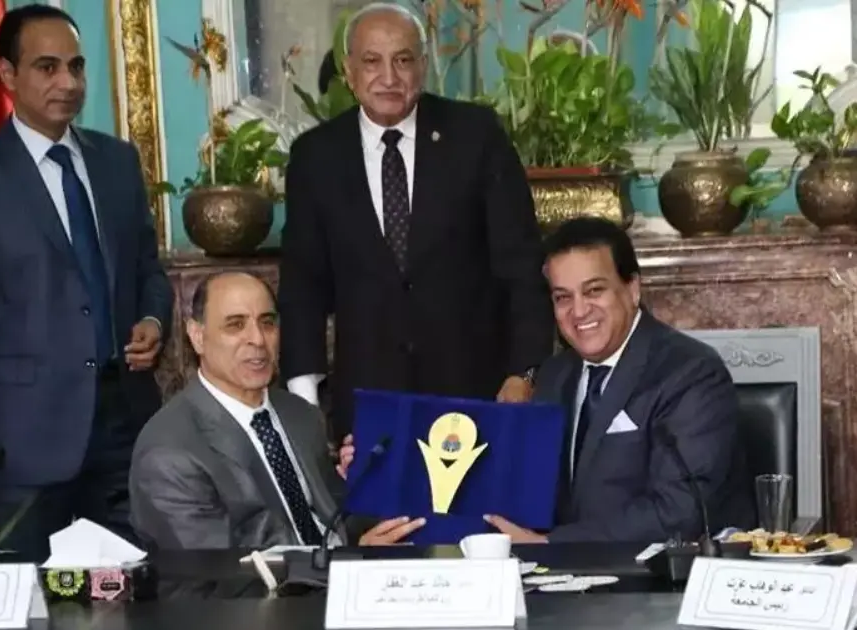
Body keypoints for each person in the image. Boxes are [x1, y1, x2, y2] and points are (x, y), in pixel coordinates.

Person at [0, 4, 172, 561]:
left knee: (131, 588)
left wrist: (154, 319)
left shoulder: (116, 163)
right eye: (48, 67)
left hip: (123, 430)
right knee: (23, 595)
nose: (68, 82)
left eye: (76, 67)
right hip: (19, 447)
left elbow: (147, 269)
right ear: (7, 75)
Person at [279, 2, 554, 439]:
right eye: (372, 61)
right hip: (370, 408)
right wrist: (305, 402)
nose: (389, 77)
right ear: (349, 71)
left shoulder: (476, 136)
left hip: (476, 396)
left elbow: (522, 266)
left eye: (403, 60)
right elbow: (302, 287)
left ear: (422, 66)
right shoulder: (316, 157)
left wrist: (525, 372)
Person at [484, 218, 753, 543]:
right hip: (559, 571)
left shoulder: (691, 372)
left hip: (662, 571)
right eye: (562, 297)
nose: (578, 312)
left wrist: (551, 545)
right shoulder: (554, 375)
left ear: (632, 289)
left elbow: (680, 512)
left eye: (594, 291)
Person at [129, 272, 424, 551]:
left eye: (267, 323)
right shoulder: (168, 454)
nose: (258, 339)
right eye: (235, 325)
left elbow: (335, 519)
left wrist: (362, 482)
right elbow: (225, 570)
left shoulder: (300, 415)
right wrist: (350, 560)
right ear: (197, 336)